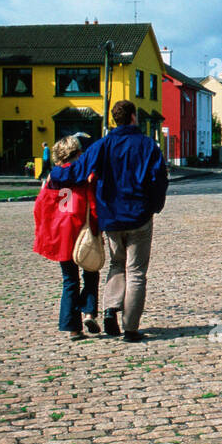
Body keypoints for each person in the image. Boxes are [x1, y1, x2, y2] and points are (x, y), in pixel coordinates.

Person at [49, 100, 168, 342]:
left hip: (111, 217)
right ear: (134, 117)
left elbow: (77, 171)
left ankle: (110, 308)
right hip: (139, 216)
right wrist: (154, 207)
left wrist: (55, 174)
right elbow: (159, 179)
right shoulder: (147, 146)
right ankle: (131, 328)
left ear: (114, 120)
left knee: (116, 264)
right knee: (136, 272)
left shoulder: (101, 146)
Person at [33, 135, 100, 340]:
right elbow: (93, 204)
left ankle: (72, 327)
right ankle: (88, 312)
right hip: (81, 230)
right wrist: (98, 230)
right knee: (91, 272)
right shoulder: (83, 175)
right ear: (77, 153)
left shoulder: (51, 178)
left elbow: (40, 207)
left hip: (61, 234)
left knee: (69, 280)